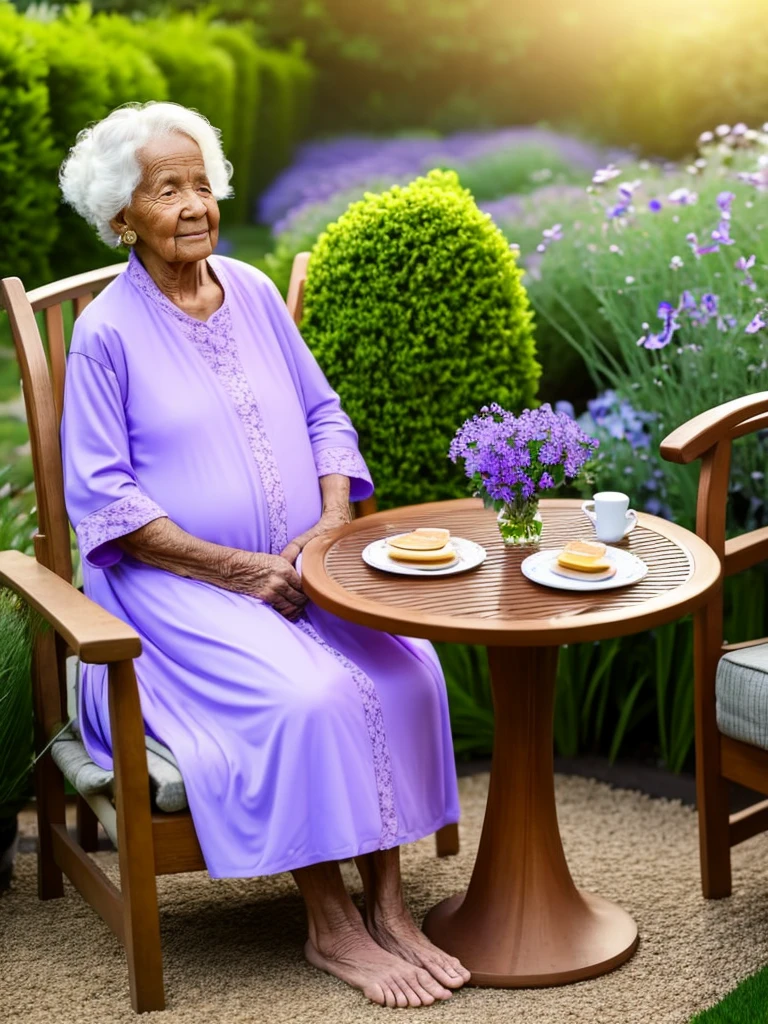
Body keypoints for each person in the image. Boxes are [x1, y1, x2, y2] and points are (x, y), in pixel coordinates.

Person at [58, 102, 467, 1008]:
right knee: (308, 696)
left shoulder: (247, 287)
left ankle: (388, 908)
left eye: (202, 182)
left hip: (300, 568)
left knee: (411, 669)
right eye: (169, 189)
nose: (196, 204)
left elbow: (323, 416)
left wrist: (325, 529)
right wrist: (243, 572)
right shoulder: (105, 335)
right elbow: (106, 503)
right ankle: (330, 928)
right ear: (123, 216)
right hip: (171, 590)